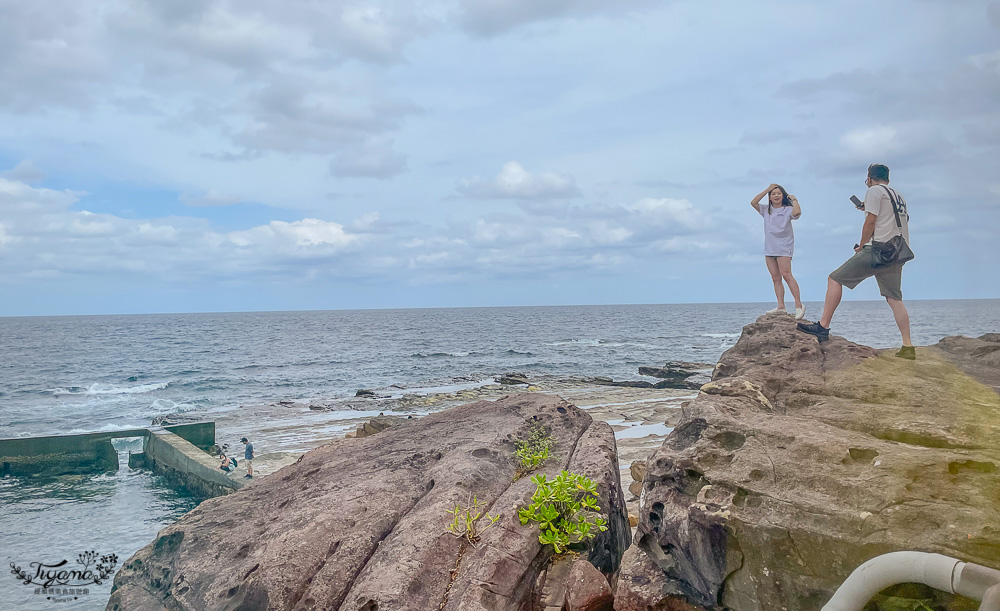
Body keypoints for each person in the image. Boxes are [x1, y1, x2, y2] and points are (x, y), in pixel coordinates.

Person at [797, 163, 915, 359]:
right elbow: (894, 220)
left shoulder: (874, 191)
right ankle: (908, 346)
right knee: (894, 298)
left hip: (878, 249)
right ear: (888, 178)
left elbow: (871, 220)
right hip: (897, 252)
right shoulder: (898, 196)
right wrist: (867, 208)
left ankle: (823, 326)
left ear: (869, 178)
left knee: (835, 279)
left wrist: (861, 244)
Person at [751, 183, 805, 319]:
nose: (776, 195)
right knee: (775, 278)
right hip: (770, 248)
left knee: (786, 275)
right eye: (773, 194)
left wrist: (794, 200)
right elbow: (753, 202)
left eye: (778, 193)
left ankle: (799, 305)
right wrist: (767, 190)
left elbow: (797, 213)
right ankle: (781, 306)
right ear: (769, 197)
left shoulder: (787, 209)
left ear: (783, 196)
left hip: (784, 246)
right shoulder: (765, 210)